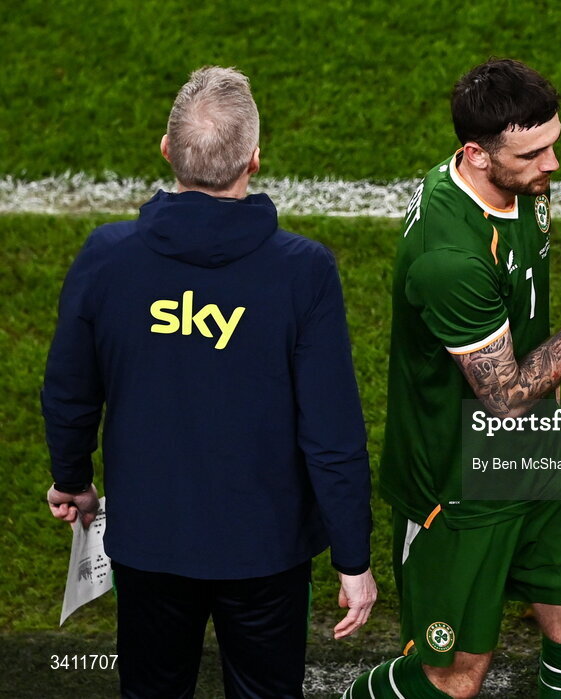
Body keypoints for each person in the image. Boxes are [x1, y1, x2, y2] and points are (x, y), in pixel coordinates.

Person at [42, 66, 376, 698]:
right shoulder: (302, 271)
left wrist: (72, 479)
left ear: (167, 150)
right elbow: (332, 431)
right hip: (267, 550)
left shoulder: (106, 257)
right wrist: (352, 559)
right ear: (255, 158)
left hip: (149, 539)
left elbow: (69, 391)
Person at [345, 58, 561, 699]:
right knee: (455, 675)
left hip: (539, 452)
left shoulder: (520, 187)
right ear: (476, 154)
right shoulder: (450, 259)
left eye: (554, 143)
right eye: (534, 153)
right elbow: (504, 395)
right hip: (459, 479)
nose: (553, 164)